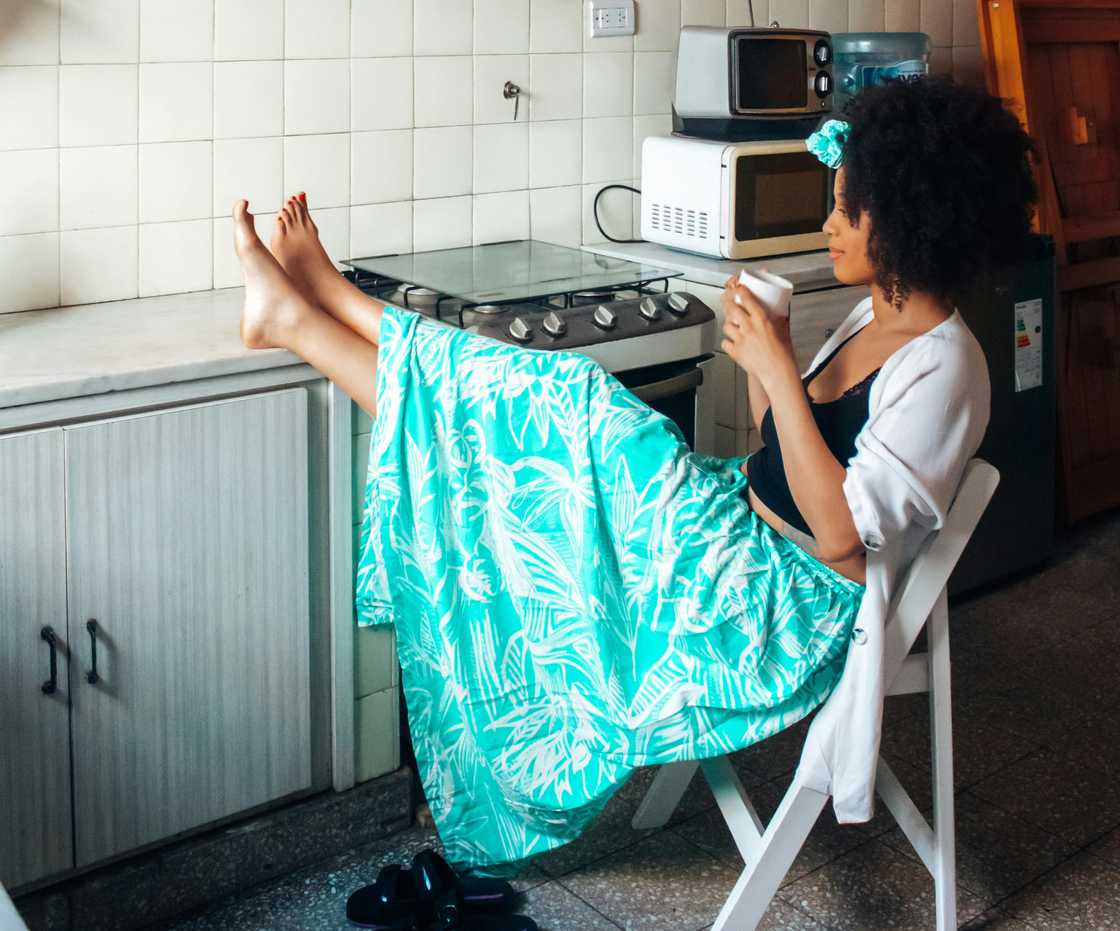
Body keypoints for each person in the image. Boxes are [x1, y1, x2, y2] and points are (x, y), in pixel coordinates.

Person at [230, 75, 1036, 871]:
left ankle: (315, 305)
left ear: (904, 220)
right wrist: (769, 351)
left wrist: (780, 373)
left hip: (770, 603)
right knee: (528, 432)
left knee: (563, 400)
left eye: (844, 207)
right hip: (734, 531)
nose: (828, 223)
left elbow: (838, 539)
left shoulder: (947, 370)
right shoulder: (874, 317)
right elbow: (781, 450)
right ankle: (308, 310)